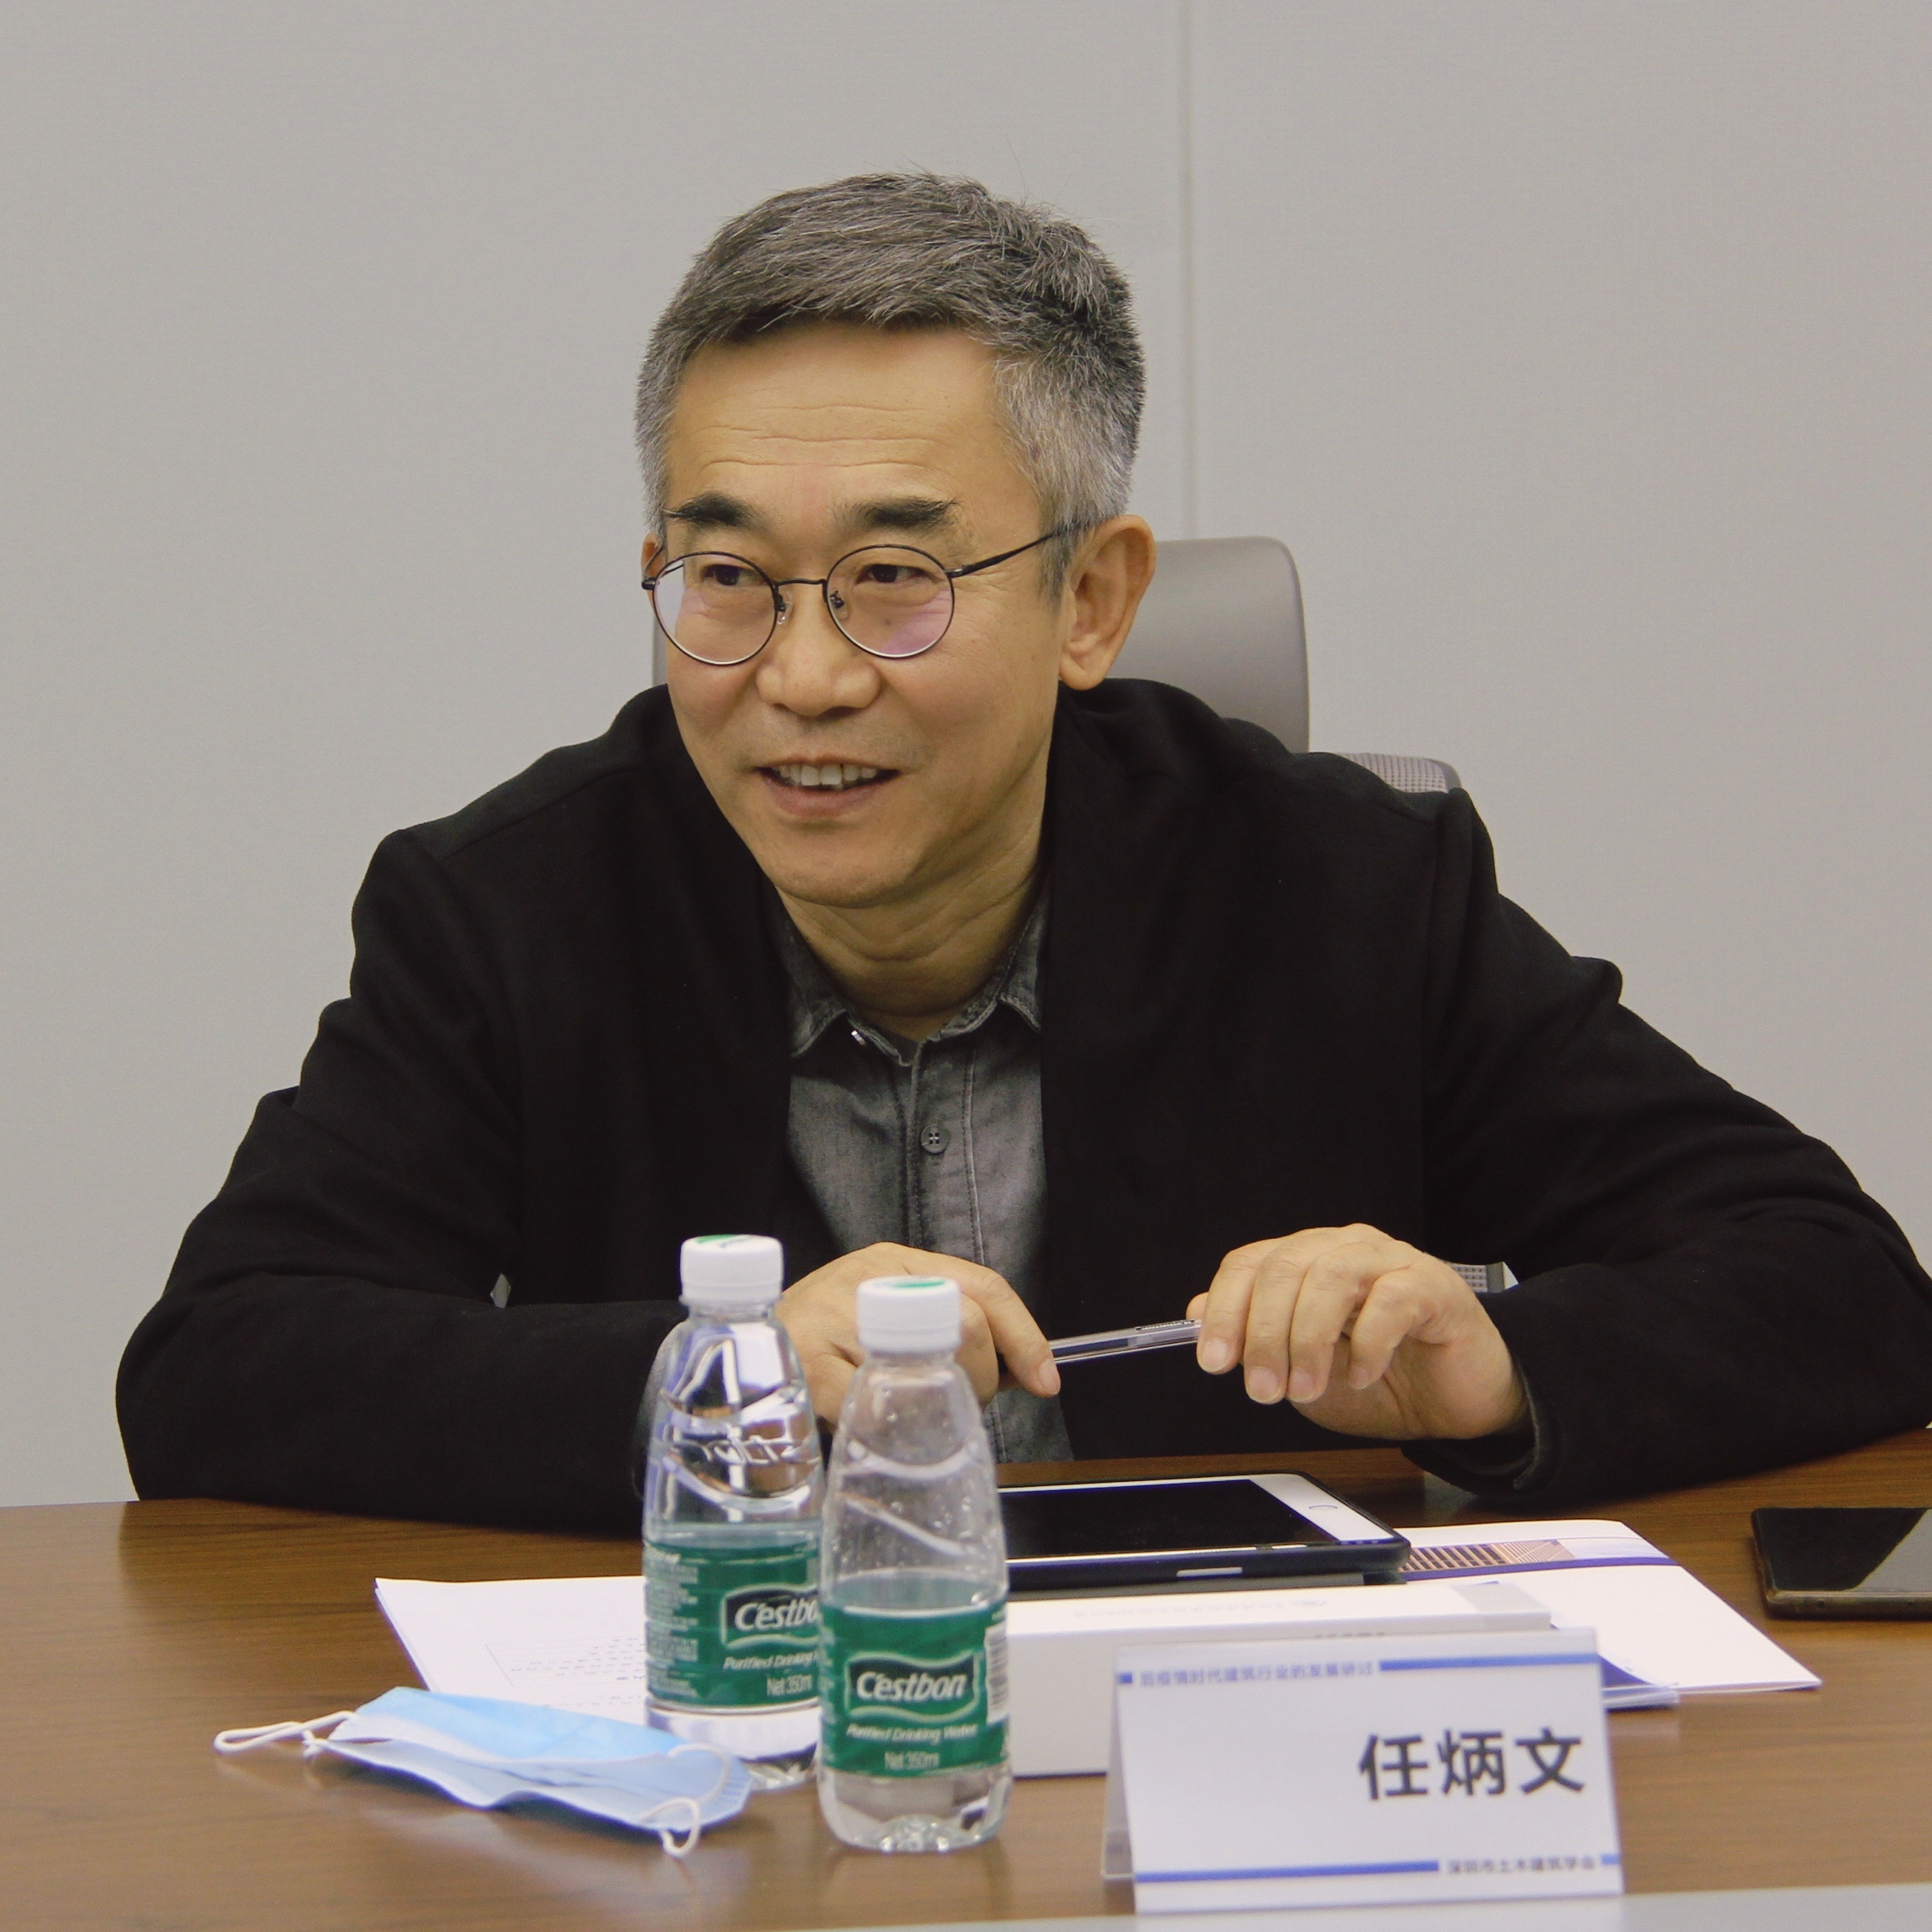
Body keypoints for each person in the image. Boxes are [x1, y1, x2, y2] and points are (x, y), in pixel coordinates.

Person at [118, 173, 1932, 1532]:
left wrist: (1493, 1368)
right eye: (726, 576)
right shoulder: (510, 910)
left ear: (1090, 601)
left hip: (1229, 1766)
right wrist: (708, 1376)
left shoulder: (1347, 891)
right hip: (741, 1774)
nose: (801, 677)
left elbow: (1838, 1283)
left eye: (894, 577)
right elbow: (220, 1367)